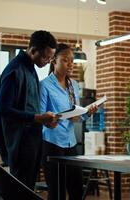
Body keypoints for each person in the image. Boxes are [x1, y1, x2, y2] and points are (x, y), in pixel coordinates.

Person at [0, 30, 60, 190]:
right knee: (20, 191)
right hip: (19, 142)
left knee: (27, 188)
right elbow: (4, 109)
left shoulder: (30, 68)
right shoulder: (14, 70)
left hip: (31, 139)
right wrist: (37, 118)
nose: (48, 61)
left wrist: (45, 121)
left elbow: (29, 106)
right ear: (33, 50)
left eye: (51, 58)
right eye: (45, 57)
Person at [40, 43, 98, 200]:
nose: (70, 64)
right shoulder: (44, 85)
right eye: (66, 60)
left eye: (72, 61)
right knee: (57, 192)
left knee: (76, 189)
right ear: (54, 60)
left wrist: (87, 113)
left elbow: (75, 115)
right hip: (52, 143)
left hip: (71, 143)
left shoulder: (74, 85)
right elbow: (40, 116)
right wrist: (49, 119)